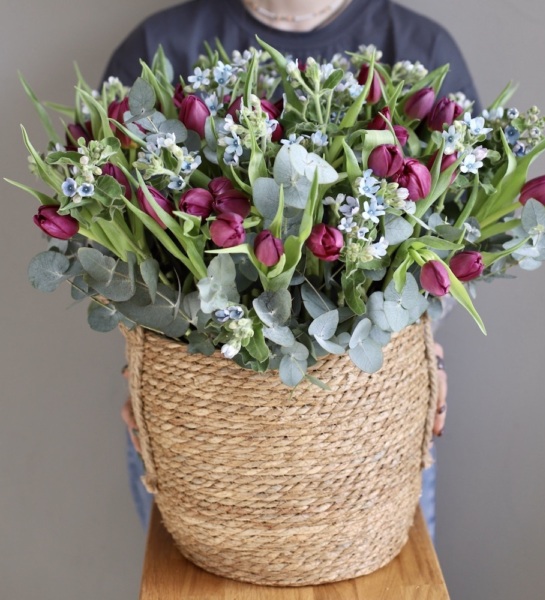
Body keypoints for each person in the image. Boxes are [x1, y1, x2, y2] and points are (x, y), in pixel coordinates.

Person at [107, 0, 477, 540]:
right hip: (204, 447)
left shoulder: (418, 49)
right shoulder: (161, 47)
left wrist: (427, 351)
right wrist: (144, 370)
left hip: (367, 442)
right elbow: (124, 250)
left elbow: (458, 249)